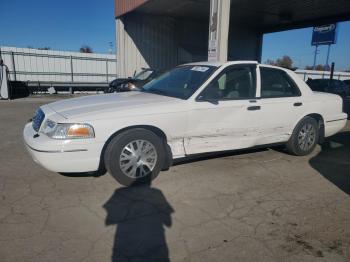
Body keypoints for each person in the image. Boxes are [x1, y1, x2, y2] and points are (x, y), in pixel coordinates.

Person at [103, 178, 174, 262]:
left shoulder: (119, 191)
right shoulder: (157, 192)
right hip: (153, 243)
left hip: (126, 241)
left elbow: (110, 213)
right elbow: (168, 222)